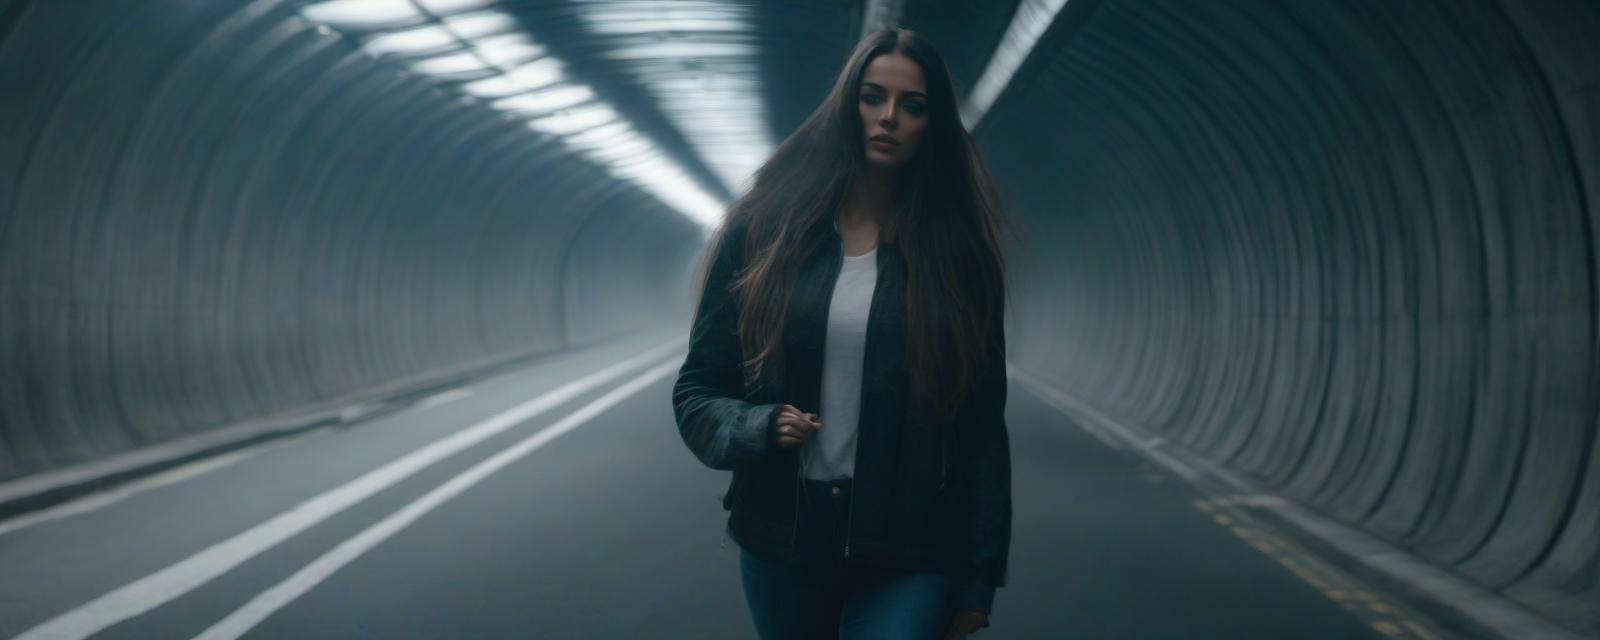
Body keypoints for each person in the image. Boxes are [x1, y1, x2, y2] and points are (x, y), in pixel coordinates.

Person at [672, 27, 1012, 640]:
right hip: (784, 539)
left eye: (912, 106)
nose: (888, 118)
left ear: (932, 124)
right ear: (845, 106)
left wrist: (978, 580)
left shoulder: (957, 259)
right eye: (872, 97)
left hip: (910, 548)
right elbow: (698, 392)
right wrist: (759, 423)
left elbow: (981, 432)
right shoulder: (765, 234)